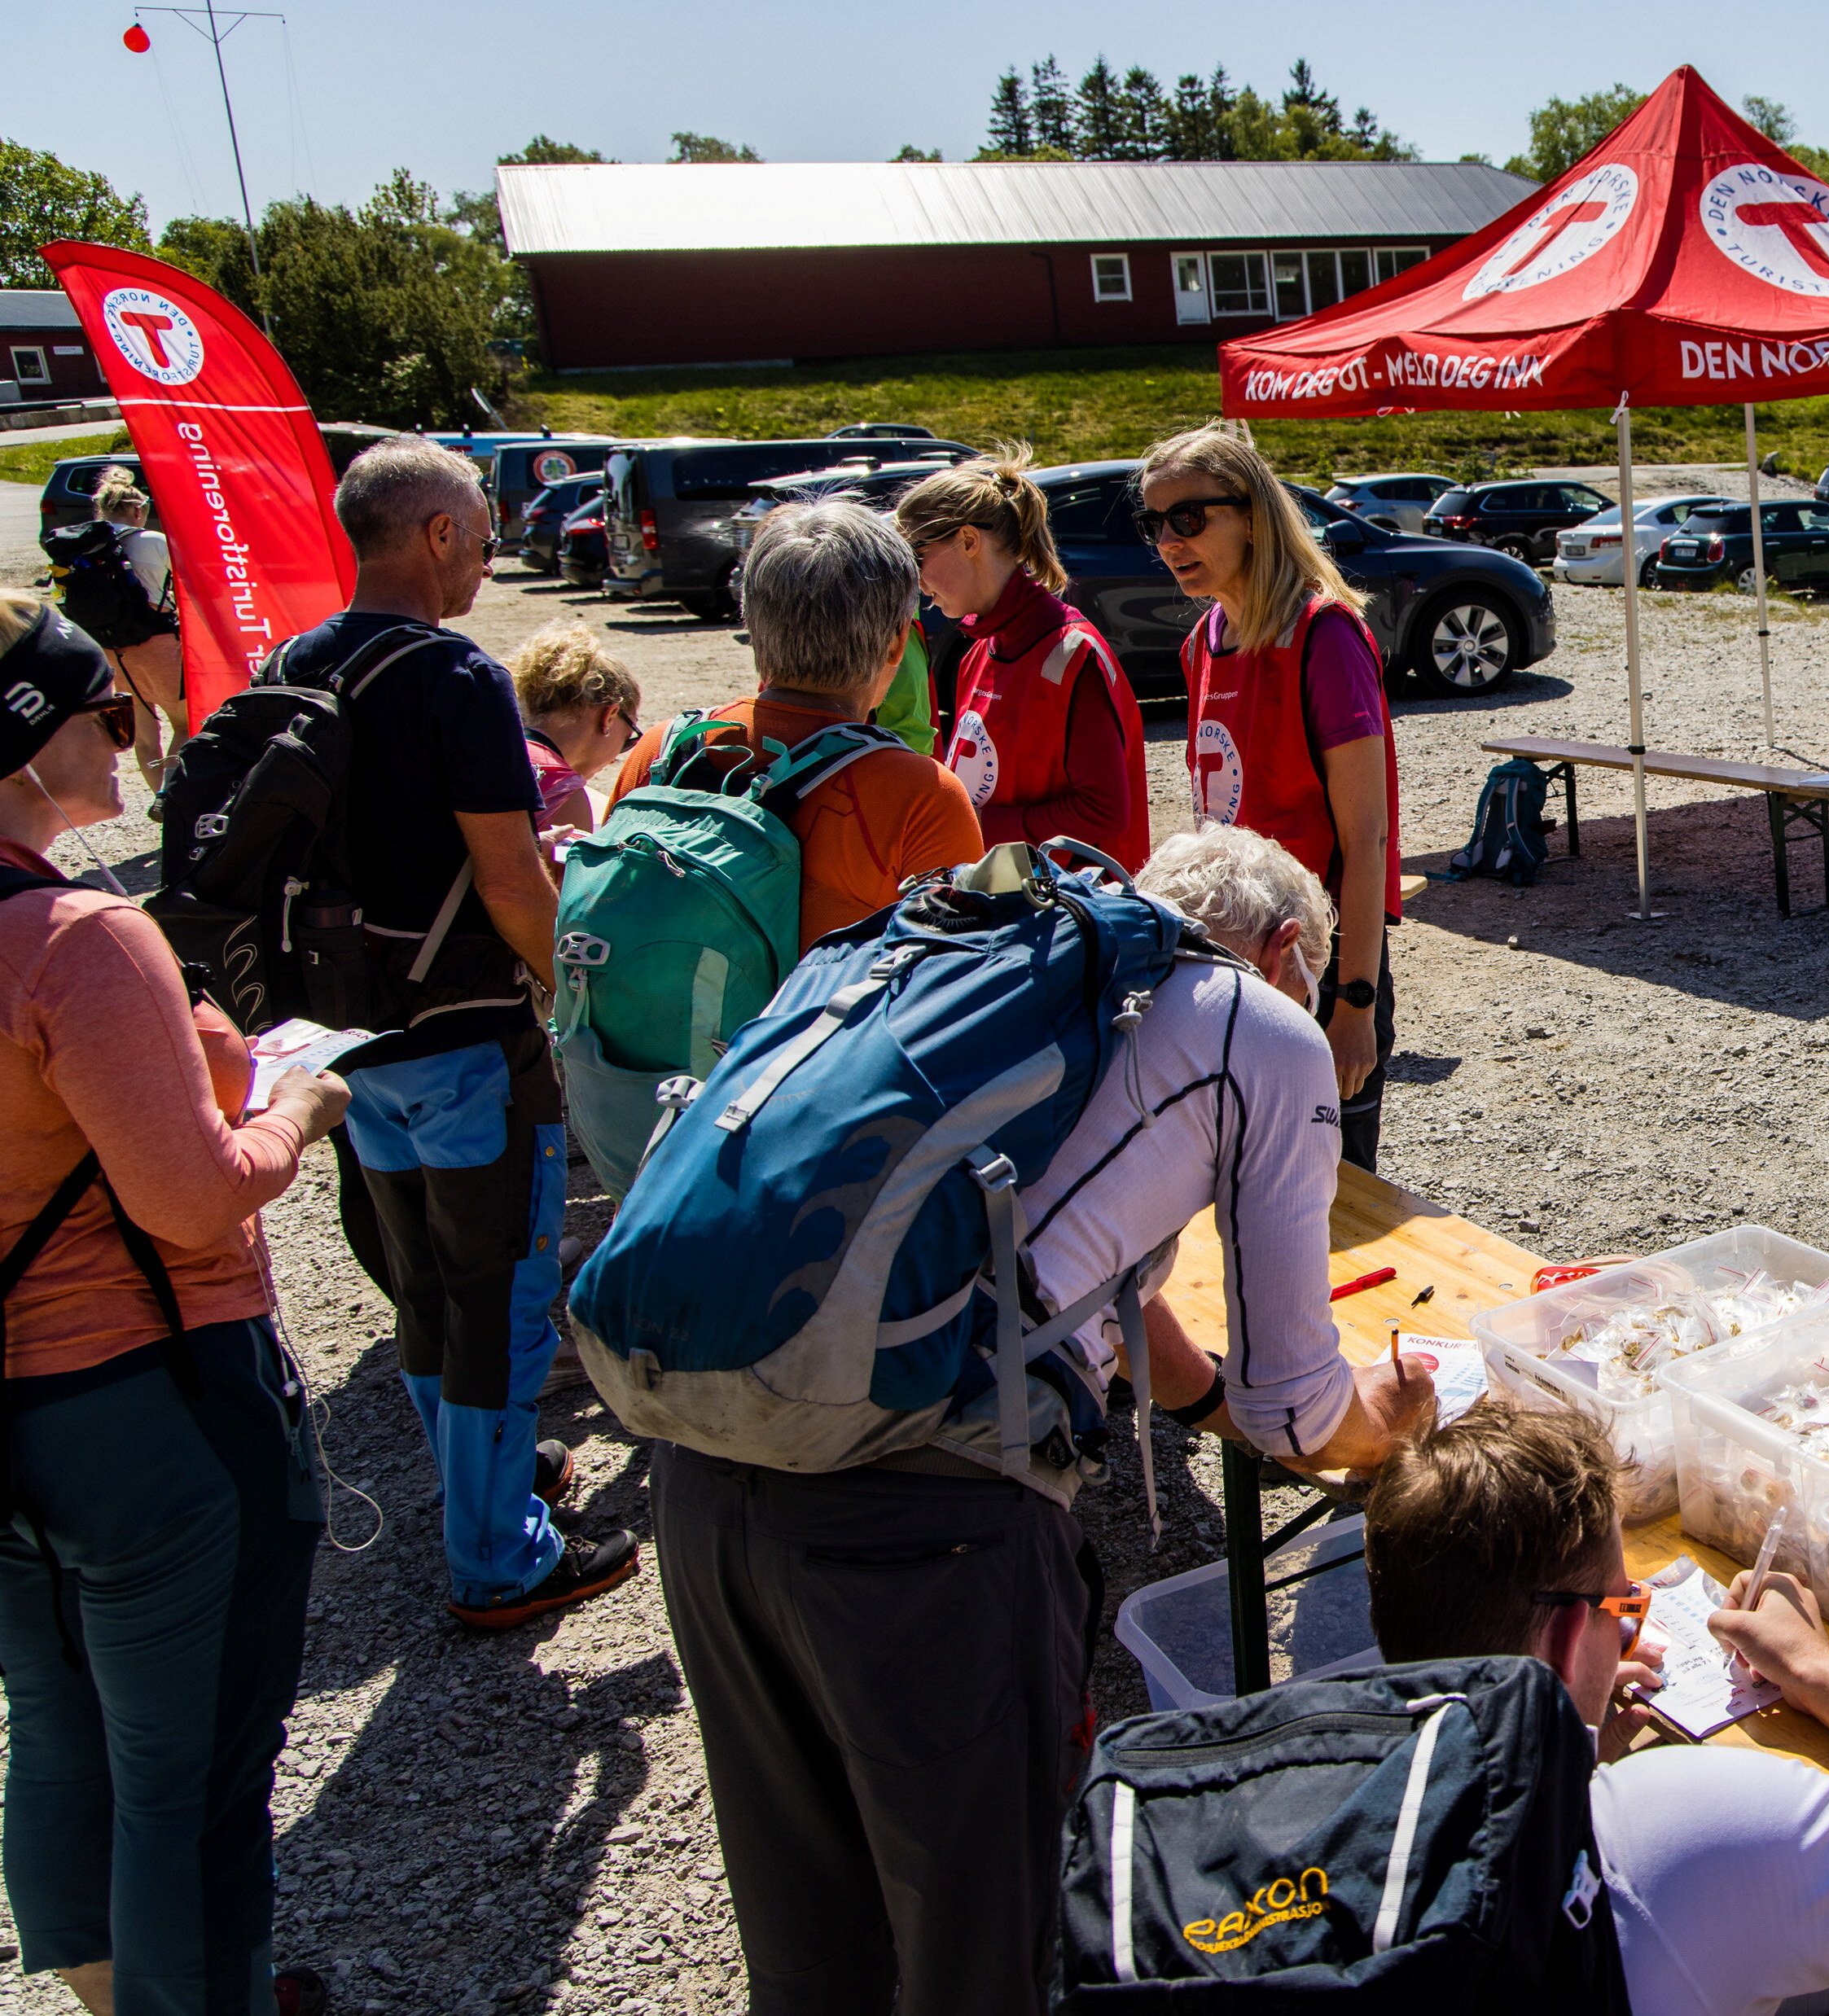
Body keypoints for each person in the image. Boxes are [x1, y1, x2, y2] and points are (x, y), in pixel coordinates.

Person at [654, 817, 1432, 2013]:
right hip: (928, 1521)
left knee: (812, 1938)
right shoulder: (1255, 1024)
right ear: (1284, 951)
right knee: (991, 1948)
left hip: (712, 1461)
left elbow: (1104, 1279)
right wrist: (1386, 1421)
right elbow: (1295, 1409)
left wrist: (1207, 1397)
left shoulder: (1031, 980)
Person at [0, 594, 345, 2016]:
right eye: (106, 710)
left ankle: (109, 1992)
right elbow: (193, 1202)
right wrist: (296, 1113)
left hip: (16, 1413)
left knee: (57, 1723)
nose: (130, 734)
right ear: (26, 741)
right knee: (191, 1772)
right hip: (151, 1402)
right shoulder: (76, 937)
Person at [1362, 1402, 1829, 2016]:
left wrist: (1573, 1752)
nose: (1629, 1632)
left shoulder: (1339, 1760)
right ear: (1561, 1640)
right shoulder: (1678, 1827)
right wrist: (1818, 1670)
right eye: (1622, 1606)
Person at [275, 440, 634, 1627]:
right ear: (435, 535)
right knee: (500, 1298)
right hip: (467, 1036)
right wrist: (566, 996)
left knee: (425, 1283)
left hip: (351, 1038)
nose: (488, 558)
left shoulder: (296, 660)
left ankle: (479, 1481)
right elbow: (512, 878)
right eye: (481, 537)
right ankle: (500, 1553)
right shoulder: (456, 678)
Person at [1146, 425, 1404, 1171]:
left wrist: (1355, 1003)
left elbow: (1367, 839)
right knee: (1240, 1180)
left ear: (1253, 516)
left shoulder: (1325, 635)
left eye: (1188, 517)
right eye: (1154, 523)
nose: (1169, 541)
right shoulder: (1203, 640)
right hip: (1234, 961)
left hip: (1320, 968)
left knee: (1330, 1192)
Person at [607, 500, 984, 949]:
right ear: (897, 643)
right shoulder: (922, 796)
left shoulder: (663, 752)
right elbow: (958, 968)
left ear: (752, 621)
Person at [898, 454, 1151, 871]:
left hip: (1068, 905)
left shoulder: (1072, 655)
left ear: (968, 541)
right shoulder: (978, 652)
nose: (917, 581)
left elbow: (1105, 811)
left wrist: (975, 825)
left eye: (917, 557)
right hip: (1003, 898)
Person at [44, 469, 186, 795]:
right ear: (137, 509)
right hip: (158, 644)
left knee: (146, 735)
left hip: (110, 650)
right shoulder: (154, 542)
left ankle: (160, 799)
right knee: (184, 725)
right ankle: (171, 796)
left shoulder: (83, 546)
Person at [507, 619, 643, 839]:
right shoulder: (563, 793)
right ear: (609, 717)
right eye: (628, 738)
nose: (613, 761)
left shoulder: (490, 747)